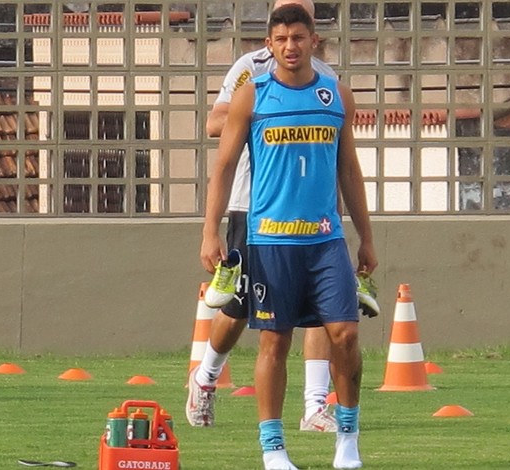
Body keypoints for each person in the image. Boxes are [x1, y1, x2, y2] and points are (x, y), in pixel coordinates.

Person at [200, 5, 377, 470]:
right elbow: (221, 167)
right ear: (270, 44)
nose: (290, 47)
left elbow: (349, 169)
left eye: (298, 38)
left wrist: (367, 237)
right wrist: (210, 233)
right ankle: (273, 449)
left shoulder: (335, 94)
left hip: (325, 240)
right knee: (273, 342)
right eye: (281, 40)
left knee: (345, 334)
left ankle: (348, 439)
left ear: (313, 40)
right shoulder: (252, 96)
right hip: (269, 239)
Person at [186, 0, 338, 432]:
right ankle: (206, 377)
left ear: (312, 28)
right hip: (252, 205)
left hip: (310, 213)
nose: (292, 38)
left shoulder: (326, 77)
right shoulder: (250, 69)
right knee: (238, 308)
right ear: (271, 31)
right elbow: (215, 122)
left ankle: (314, 407)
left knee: (319, 309)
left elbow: (338, 153)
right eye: (283, 26)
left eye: (301, 20)